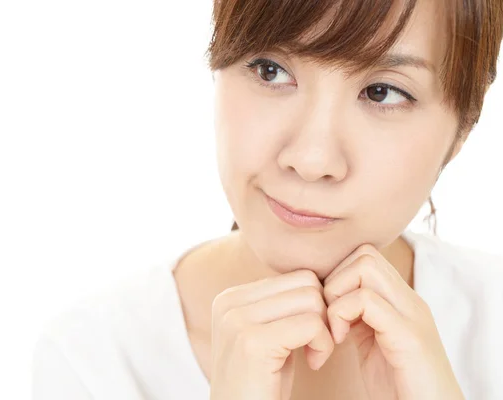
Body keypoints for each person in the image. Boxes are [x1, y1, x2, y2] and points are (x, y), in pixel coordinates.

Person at [32, 0, 503, 398]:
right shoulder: (93, 359)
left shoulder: (491, 326)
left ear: (462, 130)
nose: (311, 158)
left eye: (381, 92)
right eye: (270, 69)